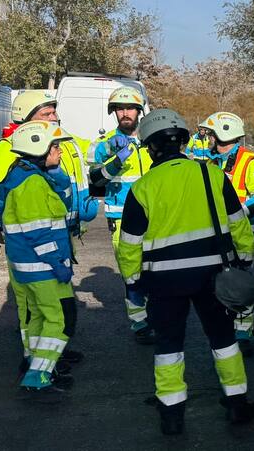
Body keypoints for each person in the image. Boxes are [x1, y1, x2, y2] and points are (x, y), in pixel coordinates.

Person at [116, 109, 254, 435]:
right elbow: (240, 227)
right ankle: (237, 404)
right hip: (213, 278)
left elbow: (129, 245)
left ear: (150, 147)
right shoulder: (212, 176)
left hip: (164, 283)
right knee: (223, 340)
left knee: (168, 346)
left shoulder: (143, 187)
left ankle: (171, 414)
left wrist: (133, 280)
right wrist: (246, 262)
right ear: (183, 140)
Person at [0, 90, 96, 371]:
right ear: (25, 120)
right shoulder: (8, 153)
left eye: (54, 112)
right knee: (38, 312)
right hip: (34, 250)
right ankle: (37, 364)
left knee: (49, 311)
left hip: (54, 239)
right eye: (46, 114)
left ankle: (47, 357)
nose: (54, 117)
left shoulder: (54, 145)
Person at [0, 122, 79, 396]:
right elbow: (39, 231)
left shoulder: (20, 174)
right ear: (39, 149)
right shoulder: (32, 183)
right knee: (61, 320)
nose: (60, 152)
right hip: (43, 268)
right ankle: (39, 374)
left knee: (40, 317)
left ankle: (36, 362)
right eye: (55, 147)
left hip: (27, 268)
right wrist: (57, 263)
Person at [88, 86, 154, 342]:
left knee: (156, 270)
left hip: (155, 217)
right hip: (121, 219)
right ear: (114, 113)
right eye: (120, 109)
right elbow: (96, 179)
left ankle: (159, 314)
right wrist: (113, 155)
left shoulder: (152, 139)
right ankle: (140, 323)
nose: (125, 113)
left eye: (130, 108)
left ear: (139, 111)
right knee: (132, 274)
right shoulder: (105, 146)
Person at [204, 111, 254, 343]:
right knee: (224, 283)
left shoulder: (250, 161)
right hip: (221, 234)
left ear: (223, 134)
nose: (208, 139)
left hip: (245, 234)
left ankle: (243, 333)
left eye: (211, 134)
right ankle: (233, 323)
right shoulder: (213, 161)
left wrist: (236, 212)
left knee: (241, 283)